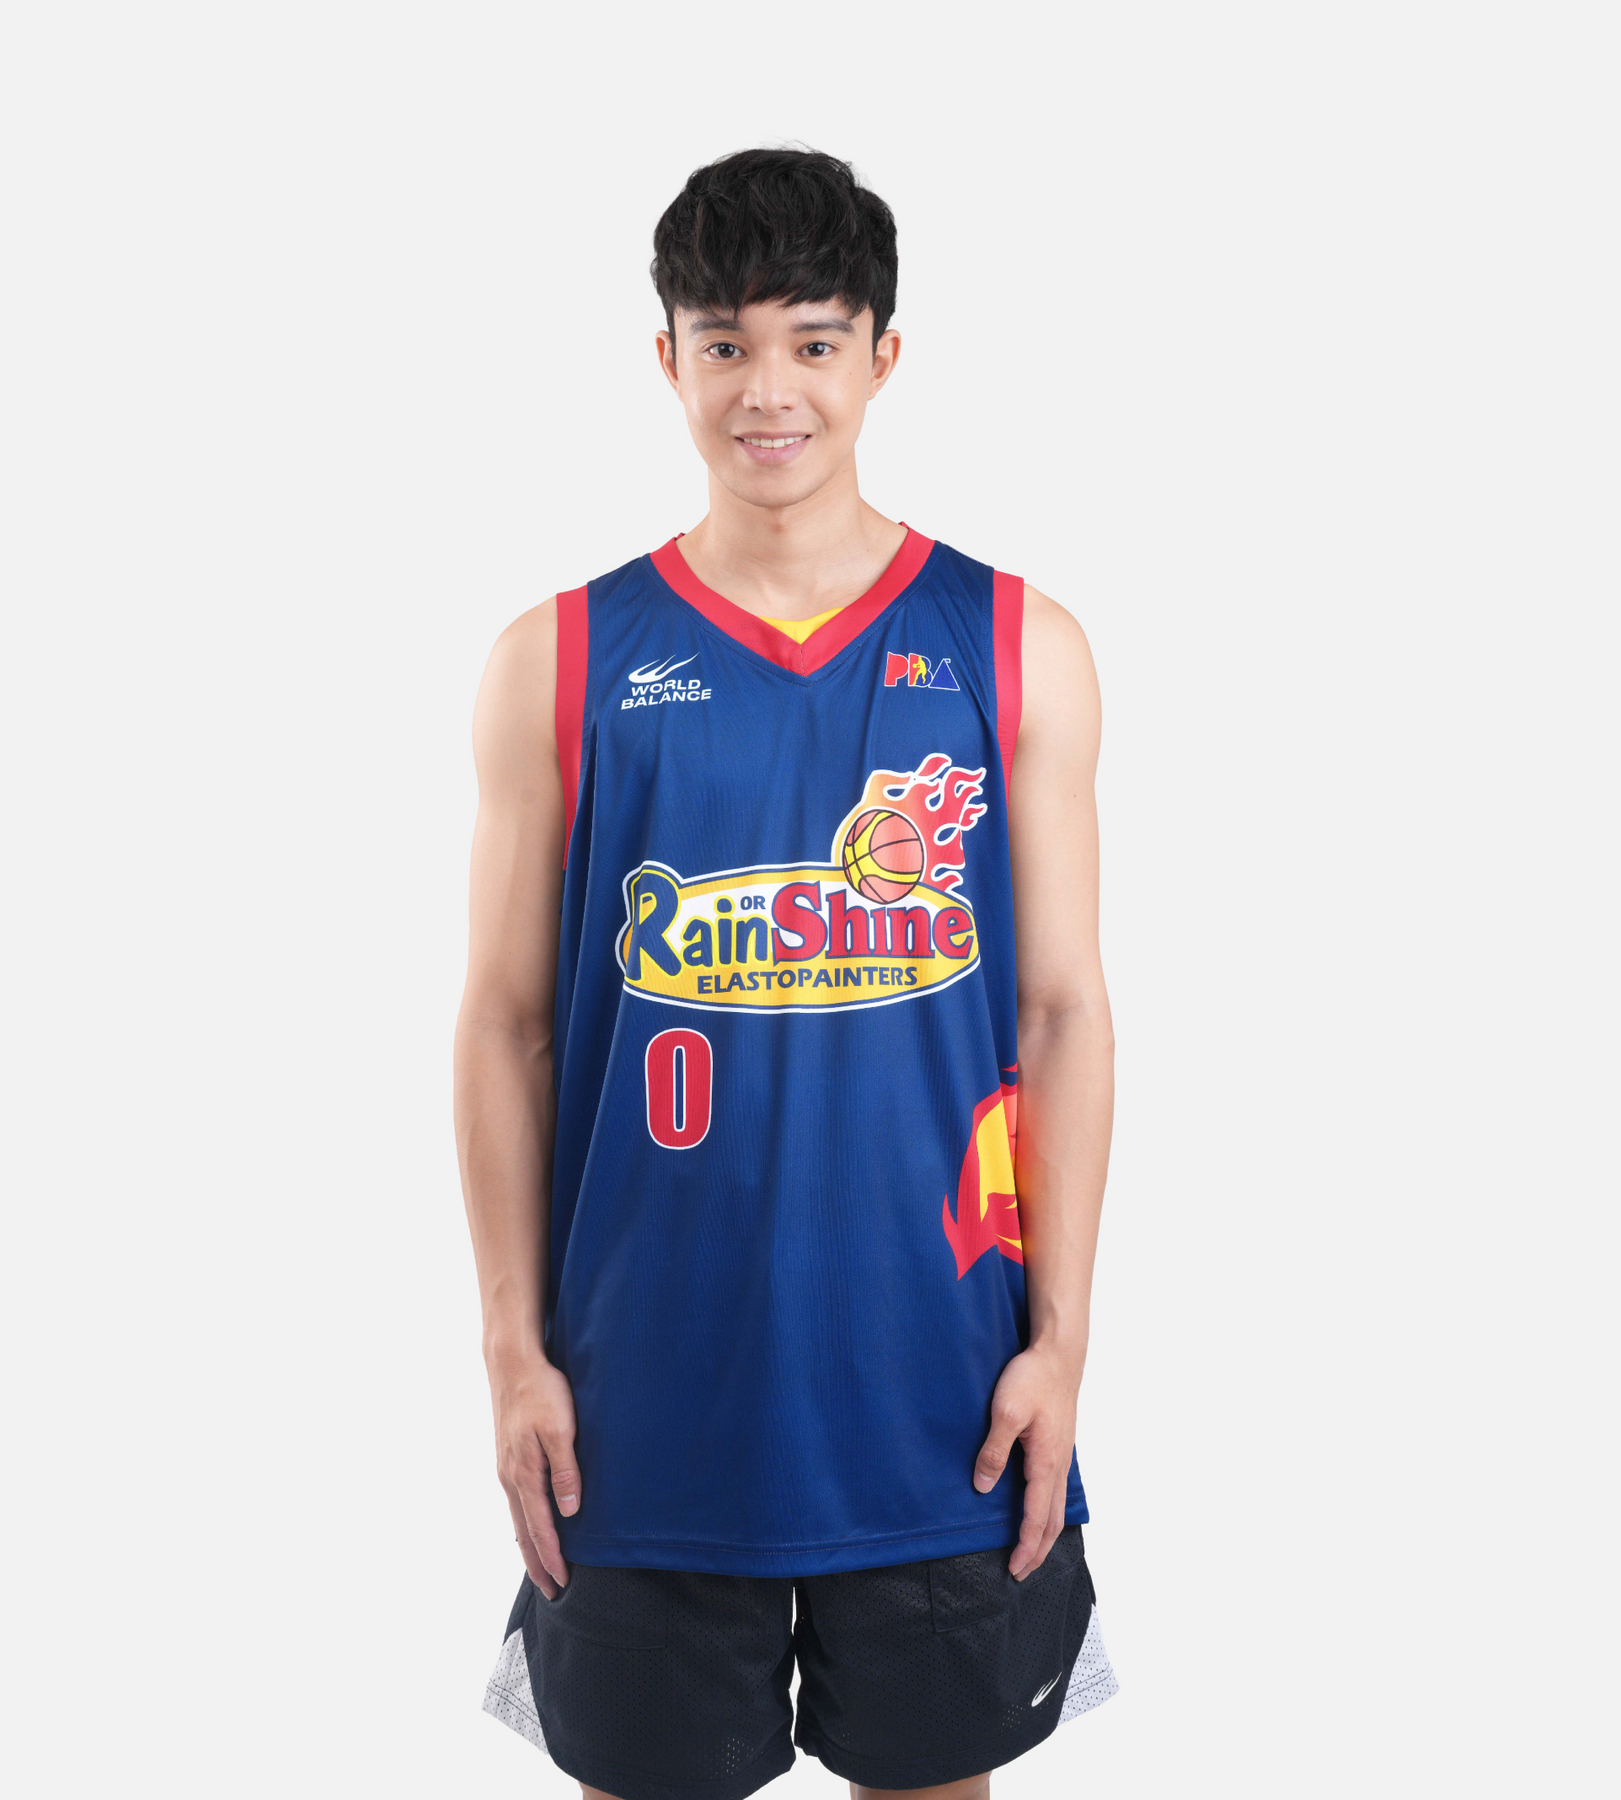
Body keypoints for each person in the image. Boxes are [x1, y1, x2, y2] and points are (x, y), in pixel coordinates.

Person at [456, 147, 1116, 1800]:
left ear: (882, 357)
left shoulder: (1016, 643)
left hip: (941, 1397)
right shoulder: (559, 659)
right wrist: (513, 1351)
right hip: (639, 1413)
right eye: (727, 342)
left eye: (814, 342)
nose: (770, 390)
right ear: (667, 357)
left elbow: (1060, 1014)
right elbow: (507, 1027)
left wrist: (1062, 1340)